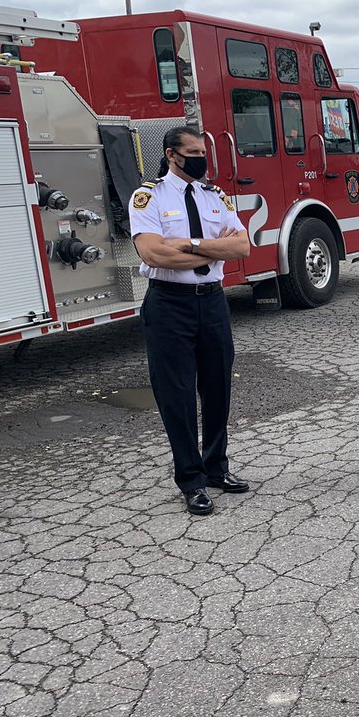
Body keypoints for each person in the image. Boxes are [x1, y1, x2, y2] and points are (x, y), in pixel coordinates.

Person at [129, 126, 252, 515]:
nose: (202, 158)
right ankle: (191, 481)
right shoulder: (147, 197)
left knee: (217, 387)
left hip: (212, 303)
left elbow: (243, 247)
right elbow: (154, 255)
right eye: (194, 151)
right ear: (171, 154)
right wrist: (216, 253)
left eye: (204, 151)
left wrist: (189, 244)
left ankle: (216, 467)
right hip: (169, 305)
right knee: (177, 396)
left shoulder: (214, 196)